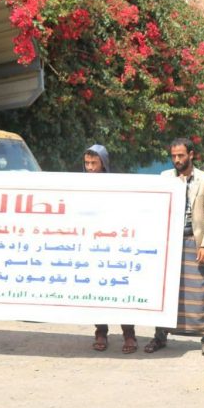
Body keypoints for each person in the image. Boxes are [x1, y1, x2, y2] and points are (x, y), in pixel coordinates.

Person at [144, 138, 204, 355]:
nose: (177, 159)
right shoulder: (165, 178)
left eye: (181, 155)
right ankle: (160, 335)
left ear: (191, 155)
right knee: (167, 290)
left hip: (194, 241)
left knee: (200, 289)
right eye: (174, 156)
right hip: (170, 242)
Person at [83, 144, 137, 354]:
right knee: (96, 290)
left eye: (93, 163)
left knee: (121, 289)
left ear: (103, 164)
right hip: (91, 246)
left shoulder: (118, 185)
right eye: (87, 163)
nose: (90, 168)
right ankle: (101, 332)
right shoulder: (79, 186)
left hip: (115, 246)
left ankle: (129, 334)